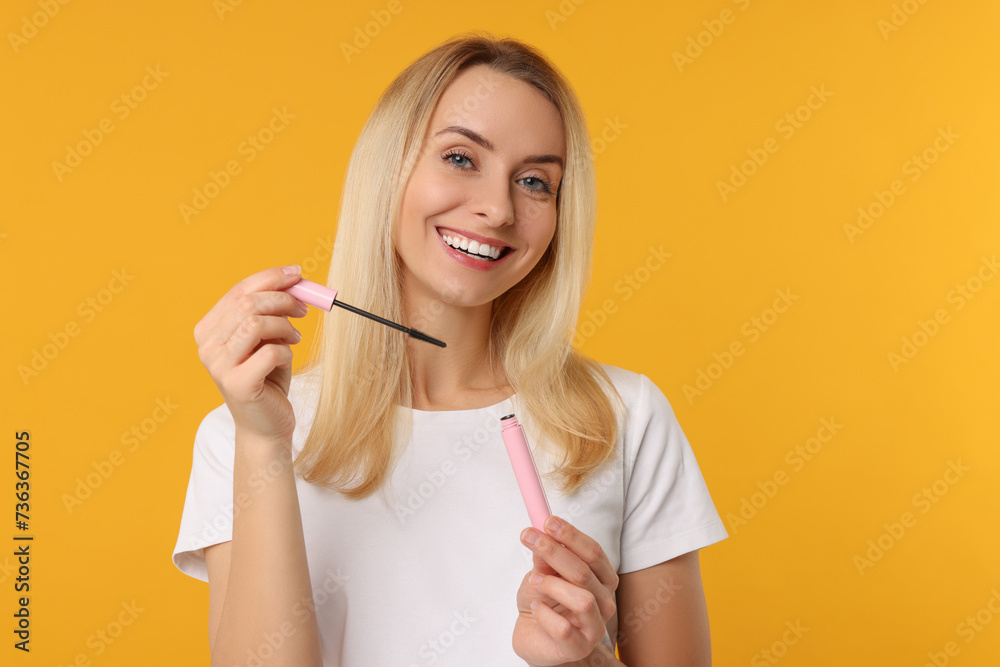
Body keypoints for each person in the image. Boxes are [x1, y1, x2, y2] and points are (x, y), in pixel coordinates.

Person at [172, 31, 728, 666]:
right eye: (462, 158)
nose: (497, 208)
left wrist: (583, 661)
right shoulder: (243, 435)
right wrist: (264, 445)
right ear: (391, 170)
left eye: (536, 182)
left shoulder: (625, 420)